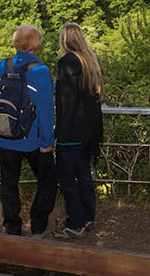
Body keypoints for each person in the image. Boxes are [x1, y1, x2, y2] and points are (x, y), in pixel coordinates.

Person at [0, 25, 56, 236]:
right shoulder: (40, 71)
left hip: (4, 136)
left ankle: (13, 227)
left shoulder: (4, 65)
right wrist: (47, 141)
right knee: (48, 180)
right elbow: (45, 108)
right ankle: (38, 224)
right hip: (32, 139)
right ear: (36, 44)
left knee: (9, 183)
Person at [52, 22, 104, 239]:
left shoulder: (66, 63)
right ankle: (88, 216)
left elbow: (65, 102)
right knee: (84, 176)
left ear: (65, 40)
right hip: (89, 133)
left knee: (67, 179)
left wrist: (58, 134)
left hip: (71, 132)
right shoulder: (92, 62)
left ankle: (76, 222)